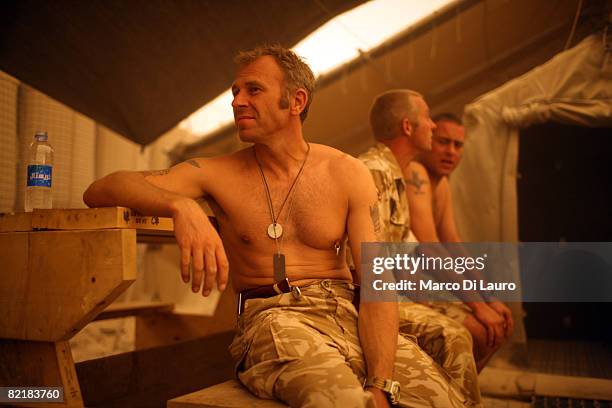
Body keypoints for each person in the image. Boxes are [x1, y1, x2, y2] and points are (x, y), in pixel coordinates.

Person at [84, 45, 470, 407]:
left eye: (253, 89)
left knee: (443, 398)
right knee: (341, 401)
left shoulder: (345, 172)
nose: (237, 101)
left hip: (345, 312)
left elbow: (376, 285)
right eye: (235, 92)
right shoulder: (217, 173)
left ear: (296, 101)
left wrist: (381, 383)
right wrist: (180, 204)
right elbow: (102, 188)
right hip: (273, 317)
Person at [358, 91, 482, 405]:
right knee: (457, 335)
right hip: (371, 301)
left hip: (393, 294)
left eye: (458, 144)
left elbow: (401, 252)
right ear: (408, 127)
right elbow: (367, 263)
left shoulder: (395, 174)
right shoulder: (375, 172)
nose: (432, 125)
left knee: (466, 329)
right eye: (427, 117)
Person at [408, 113, 515, 370]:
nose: (451, 152)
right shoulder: (416, 173)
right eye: (443, 142)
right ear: (427, 140)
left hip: (423, 283)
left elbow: (452, 243)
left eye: (458, 145)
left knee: (497, 326)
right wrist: (478, 306)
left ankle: (457, 394)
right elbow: (429, 248)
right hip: (400, 286)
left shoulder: (441, 183)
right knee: (482, 333)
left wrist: (490, 299)